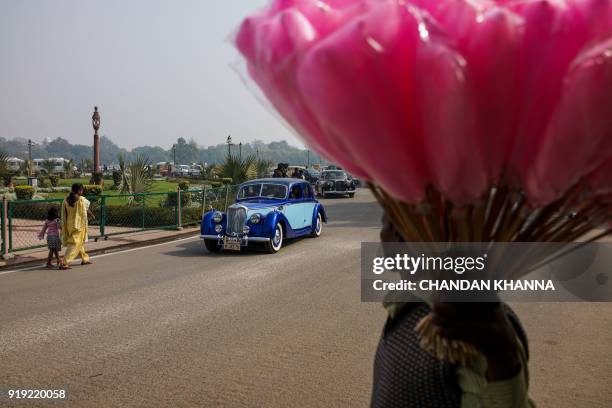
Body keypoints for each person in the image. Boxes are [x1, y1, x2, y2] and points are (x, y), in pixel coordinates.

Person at [370, 213, 534, 408]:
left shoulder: (470, 323)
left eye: (387, 223)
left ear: (400, 234)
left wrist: (501, 359)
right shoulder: (407, 306)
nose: (383, 233)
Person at [60, 183, 93, 269]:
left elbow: (65, 214)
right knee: (74, 243)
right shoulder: (81, 199)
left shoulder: (66, 200)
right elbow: (86, 209)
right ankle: (64, 262)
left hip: (69, 224)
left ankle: (85, 259)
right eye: (82, 190)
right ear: (79, 190)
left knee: (79, 242)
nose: (82, 191)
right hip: (79, 224)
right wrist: (92, 215)